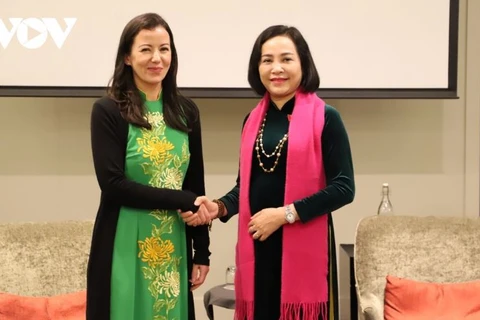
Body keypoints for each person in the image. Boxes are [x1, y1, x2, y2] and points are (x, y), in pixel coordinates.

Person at [181, 25, 355, 320]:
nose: (276, 68)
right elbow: (245, 187)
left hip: (301, 245)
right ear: (257, 67)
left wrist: (285, 214)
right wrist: (219, 207)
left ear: (303, 63)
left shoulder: (326, 117)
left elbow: (344, 187)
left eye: (286, 59)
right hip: (259, 244)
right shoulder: (252, 120)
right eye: (267, 60)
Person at [86, 13, 211, 320]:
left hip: (174, 242)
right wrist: (184, 200)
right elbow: (113, 185)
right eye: (146, 49)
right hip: (124, 241)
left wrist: (202, 252)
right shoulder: (108, 110)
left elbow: (196, 186)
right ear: (127, 57)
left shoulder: (186, 111)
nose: (157, 58)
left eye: (164, 49)